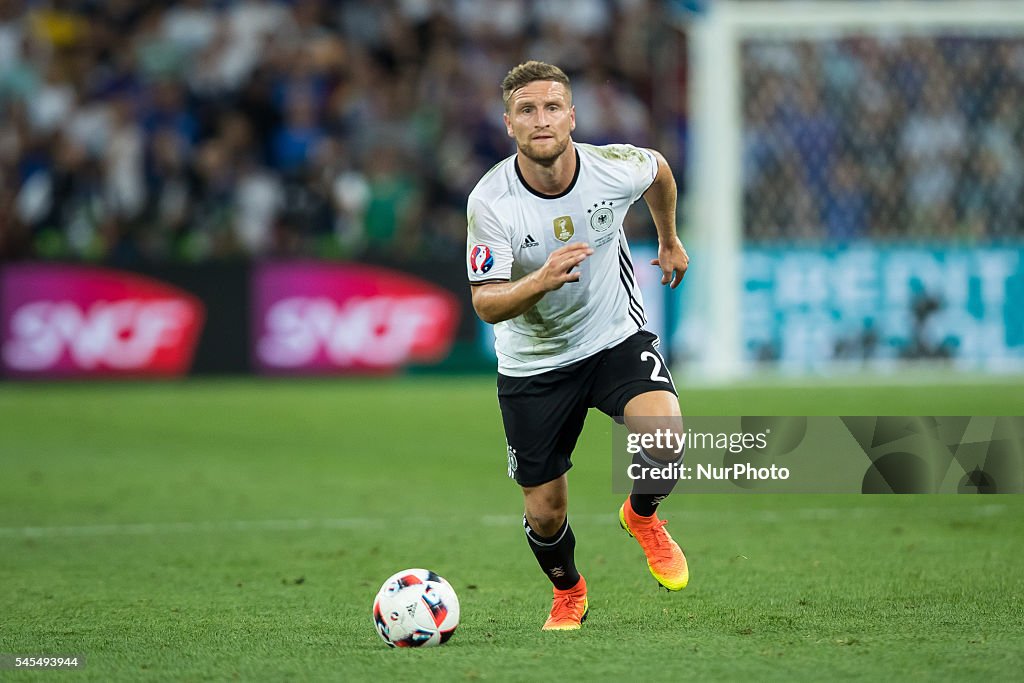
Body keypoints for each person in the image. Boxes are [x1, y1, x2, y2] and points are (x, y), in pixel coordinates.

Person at [466, 61, 691, 631]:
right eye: (526, 110)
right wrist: (539, 280)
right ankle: (569, 590)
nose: (540, 120)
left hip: (613, 335)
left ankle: (641, 516)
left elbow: (659, 170)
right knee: (546, 513)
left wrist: (668, 238)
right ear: (509, 124)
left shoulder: (609, 167)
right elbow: (487, 303)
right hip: (533, 364)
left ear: (571, 115)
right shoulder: (491, 202)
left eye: (551, 107)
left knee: (665, 437)